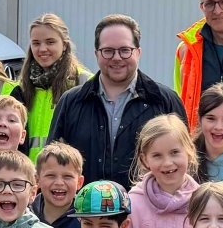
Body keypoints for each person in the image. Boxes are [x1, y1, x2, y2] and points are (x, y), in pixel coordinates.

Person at [49, 14, 184, 186]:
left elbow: (186, 163)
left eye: (125, 50)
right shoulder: (71, 102)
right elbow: (52, 162)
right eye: (108, 51)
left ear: (138, 52)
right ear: (96, 54)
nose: (117, 57)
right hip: (83, 203)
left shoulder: (164, 101)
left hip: (148, 203)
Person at [13, 13, 90, 157]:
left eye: (50, 42)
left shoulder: (85, 83)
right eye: (36, 43)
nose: (42, 49)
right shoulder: (21, 88)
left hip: (67, 168)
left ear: (64, 45)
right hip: (27, 169)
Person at [128, 114, 200, 228]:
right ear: (144, 159)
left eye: (174, 152)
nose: (167, 163)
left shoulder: (203, 201)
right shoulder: (132, 204)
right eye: (157, 155)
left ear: (190, 151)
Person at [33, 142, 87, 228]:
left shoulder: (87, 219)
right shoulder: (25, 216)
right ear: (37, 180)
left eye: (67, 176)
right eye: (51, 176)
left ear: (79, 182)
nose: (59, 183)